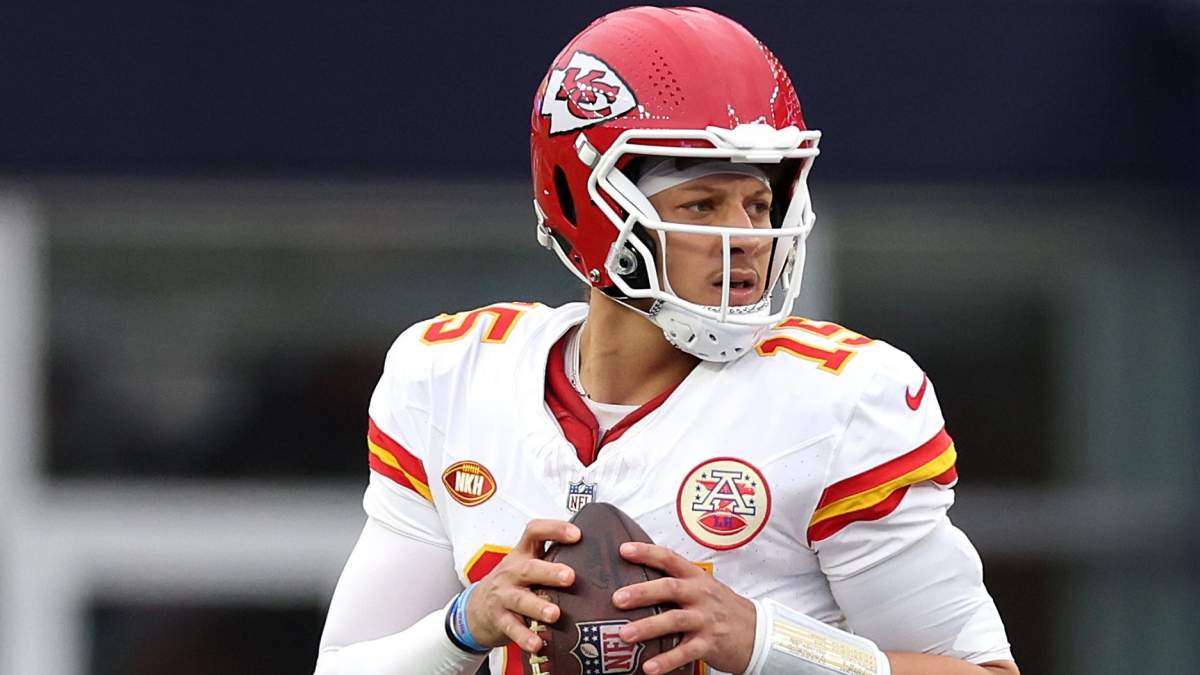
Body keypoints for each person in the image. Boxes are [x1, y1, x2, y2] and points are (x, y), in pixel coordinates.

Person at [314, 6, 1018, 675]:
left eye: (759, 203)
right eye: (702, 204)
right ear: (590, 208)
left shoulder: (843, 401)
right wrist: (463, 623)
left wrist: (767, 642)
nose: (746, 236)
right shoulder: (451, 376)